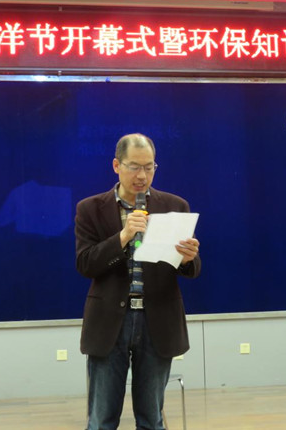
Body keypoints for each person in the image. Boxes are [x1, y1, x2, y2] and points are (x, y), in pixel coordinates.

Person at [75, 133, 201, 430]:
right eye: (134, 167)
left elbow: (192, 269)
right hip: (109, 322)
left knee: (151, 419)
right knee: (101, 420)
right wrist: (123, 237)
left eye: (149, 167)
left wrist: (188, 258)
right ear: (116, 166)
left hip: (158, 319)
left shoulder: (174, 206)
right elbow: (85, 264)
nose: (142, 175)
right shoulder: (90, 208)